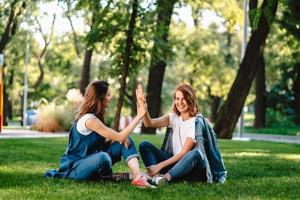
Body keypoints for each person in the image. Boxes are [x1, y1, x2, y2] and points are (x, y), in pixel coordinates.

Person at [45, 80, 155, 188]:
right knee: (104, 157)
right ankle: (108, 177)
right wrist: (139, 116)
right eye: (108, 95)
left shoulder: (96, 117)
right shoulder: (89, 120)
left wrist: (117, 139)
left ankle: (137, 177)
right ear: (99, 98)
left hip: (91, 159)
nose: (110, 98)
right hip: (76, 167)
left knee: (126, 141)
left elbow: (112, 138)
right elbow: (120, 136)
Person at [137, 83, 227, 186]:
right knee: (144, 145)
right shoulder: (174, 118)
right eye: (177, 98)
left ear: (190, 100)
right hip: (173, 164)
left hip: (190, 168)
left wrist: (159, 165)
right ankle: (156, 177)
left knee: (195, 153)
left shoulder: (195, 122)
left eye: (183, 99)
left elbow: (184, 152)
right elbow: (149, 123)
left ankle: (166, 177)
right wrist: (143, 107)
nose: (180, 102)